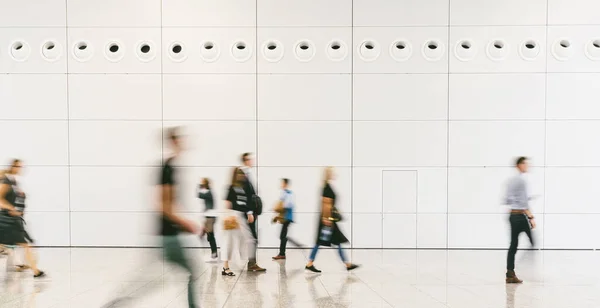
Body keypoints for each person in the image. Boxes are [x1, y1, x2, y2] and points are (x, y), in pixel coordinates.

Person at [102, 127, 200, 308]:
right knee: (186, 273)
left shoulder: (170, 166)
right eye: (181, 139)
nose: (184, 143)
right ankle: (115, 304)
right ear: (174, 142)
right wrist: (185, 222)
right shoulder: (167, 168)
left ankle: (116, 303)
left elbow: (168, 202)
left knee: (152, 278)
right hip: (168, 235)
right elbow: (162, 204)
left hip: (166, 234)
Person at [305, 167, 359, 273]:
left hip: (328, 219)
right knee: (324, 241)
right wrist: (326, 219)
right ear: (328, 174)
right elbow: (326, 203)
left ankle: (310, 263)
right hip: (327, 220)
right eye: (331, 173)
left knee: (331, 241)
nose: (333, 174)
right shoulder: (326, 187)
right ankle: (346, 264)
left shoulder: (326, 186)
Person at [0, 159, 45, 278]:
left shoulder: (14, 182)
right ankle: (35, 271)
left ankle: (33, 269)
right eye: (18, 166)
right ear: (13, 167)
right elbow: (1, 199)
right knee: (25, 245)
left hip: (14, 220)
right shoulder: (7, 181)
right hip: (6, 220)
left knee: (23, 244)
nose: (20, 169)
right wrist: (12, 208)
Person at [222, 167, 266, 275]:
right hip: (233, 216)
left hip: (241, 216)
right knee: (229, 242)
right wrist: (228, 216)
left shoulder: (243, 187)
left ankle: (247, 261)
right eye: (239, 174)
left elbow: (248, 201)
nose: (241, 176)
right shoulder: (231, 187)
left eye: (242, 174)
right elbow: (227, 203)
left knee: (250, 240)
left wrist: (249, 212)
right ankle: (225, 267)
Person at [504, 156, 536, 284]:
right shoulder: (521, 181)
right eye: (525, 164)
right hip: (520, 216)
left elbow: (507, 200)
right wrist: (531, 217)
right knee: (533, 242)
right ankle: (523, 266)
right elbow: (523, 203)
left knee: (513, 245)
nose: (527, 166)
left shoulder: (510, 181)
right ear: (519, 165)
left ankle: (510, 273)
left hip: (512, 215)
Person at [239, 153, 266, 272]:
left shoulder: (248, 174)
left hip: (250, 211)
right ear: (245, 160)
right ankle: (251, 263)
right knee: (252, 237)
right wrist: (249, 212)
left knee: (252, 237)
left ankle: (251, 262)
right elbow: (247, 195)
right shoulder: (243, 175)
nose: (252, 161)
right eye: (250, 159)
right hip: (248, 212)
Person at [272, 178, 301, 260]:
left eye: (283, 183)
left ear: (286, 184)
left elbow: (290, 204)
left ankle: (282, 254)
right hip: (284, 217)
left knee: (283, 236)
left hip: (287, 217)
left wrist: (281, 206)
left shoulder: (289, 193)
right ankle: (283, 252)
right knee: (283, 235)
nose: (281, 185)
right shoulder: (284, 193)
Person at [198, 178, 218, 261]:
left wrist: (199, 187)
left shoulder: (208, 192)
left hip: (210, 217)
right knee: (204, 235)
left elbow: (199, 195)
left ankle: (214, 254)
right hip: (208, 217)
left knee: (210, 236)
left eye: (202, 183)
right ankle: (212, 253)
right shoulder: (208, 192)